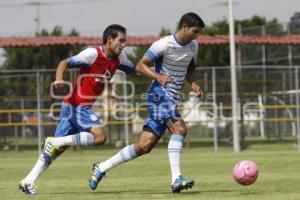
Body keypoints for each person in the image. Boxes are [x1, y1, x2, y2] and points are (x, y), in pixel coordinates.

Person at [89, 12, 205, 193]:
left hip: (171, 99)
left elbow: (189, 68)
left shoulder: (193, 46)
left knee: (144, 146)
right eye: (195, 31)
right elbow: (140, 66)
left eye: (198, 33)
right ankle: (176, 179)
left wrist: (194, 84)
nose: (197, 36)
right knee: (180, 129)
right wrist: (158, 76)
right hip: (158, 96)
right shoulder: (163, 44)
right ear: (184, 28)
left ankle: (101, 167)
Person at [18, 24, 136, 195]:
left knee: (54, 151)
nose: (124, 44)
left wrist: (157, 70)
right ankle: (55, 142)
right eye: (121, 40)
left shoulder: (119, 59)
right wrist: (59, 79)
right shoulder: (92, 54)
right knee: (100, 137)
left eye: (125, 41)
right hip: (77, 106)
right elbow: (64, 62)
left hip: (71, 106)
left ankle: (28, 180)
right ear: (109, 40)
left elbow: (137, 69)